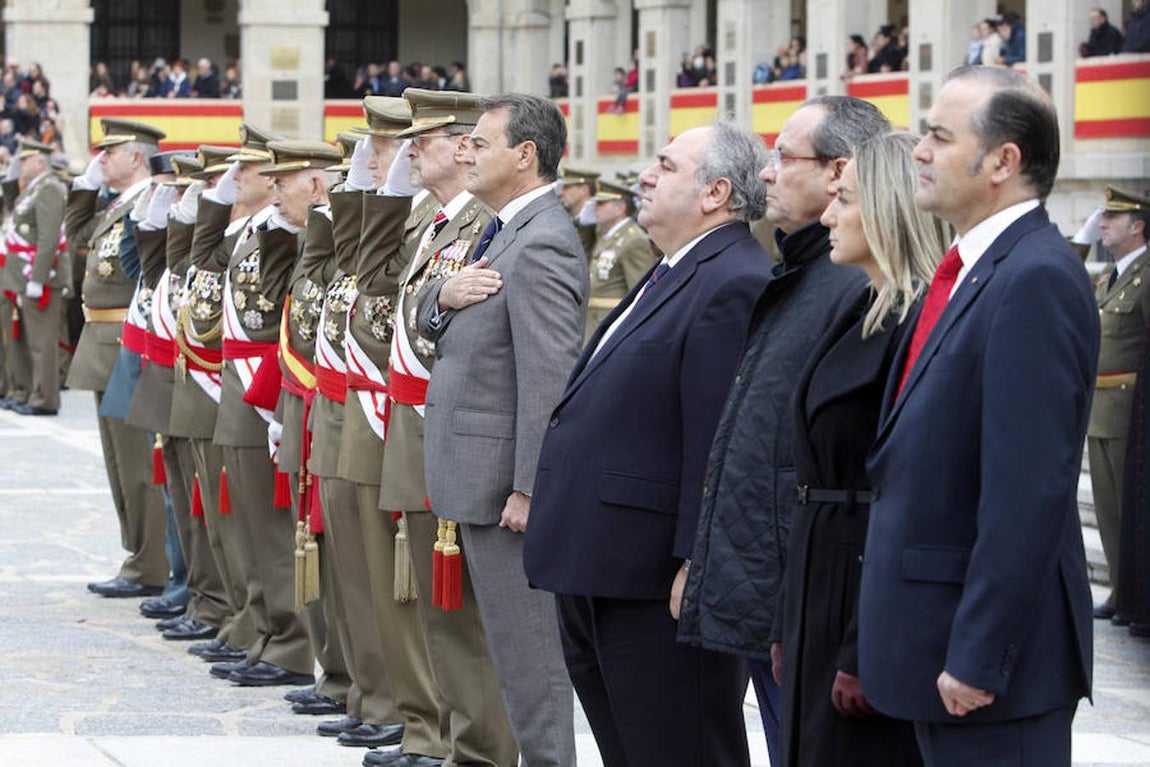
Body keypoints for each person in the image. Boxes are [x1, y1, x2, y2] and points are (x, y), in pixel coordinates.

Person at [858, 65, 1097, 767]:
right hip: (933, 649)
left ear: (1002, 161)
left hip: (988, 676)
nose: (919, 151)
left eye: (938, 136)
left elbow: (1028, 491)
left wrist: (979, 654)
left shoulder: (1035, 276)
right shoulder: (974, 268)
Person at [525, 119, 772, 767]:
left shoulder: (734, 277)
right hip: (604, 563)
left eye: (665, 165)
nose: (646, 175)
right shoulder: (675, 267)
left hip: (656, 579)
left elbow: (718, 439)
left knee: (678, 749)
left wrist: (698, 560)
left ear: (716, 192)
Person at [678, 96, 888, 767]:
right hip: (776, 588)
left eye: (784, 157)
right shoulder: (804, 273)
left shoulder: (856, 285)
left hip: (809, 590)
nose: (766, 173)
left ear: (839, 171)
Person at [416, 93, 584, 767]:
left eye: (481, 143)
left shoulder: (541, 242)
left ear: (525, 155)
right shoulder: (500, 229)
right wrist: (439, 296)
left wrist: (531, 488)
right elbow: (431, 308)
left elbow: (549, 381)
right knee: (509, 660)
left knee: (531, 662)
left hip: (505, 496)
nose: (467, 153)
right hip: (476, 482)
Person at [355, 87, 520, 767]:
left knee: (463, 614)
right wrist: (385, 196)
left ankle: (478, 749)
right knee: (432, 605)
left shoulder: (484, 223)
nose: (409, 153)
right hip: (416, 423)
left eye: (419, 142)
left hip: (449, 426)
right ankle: (442, 738)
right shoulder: (432, 222)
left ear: (462, 146)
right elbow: (367, 280)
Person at [776, 131, 949, 767]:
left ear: (887, 209)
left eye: (845, 200)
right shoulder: (863, 307)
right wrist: (787, 619)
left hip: (860, 589)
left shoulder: (920, 323)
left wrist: (864, 645)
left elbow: (911, 495)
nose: (827, 215)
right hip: (819, 579)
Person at [68, 119, 170, 599]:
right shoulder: (117, 205)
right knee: (118, 462)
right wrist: (85, 188)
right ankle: (138, 554)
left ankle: (150, 563)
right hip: (103, 342)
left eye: (110, 153)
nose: (101, 160)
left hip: (129, 343)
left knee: (138, 464)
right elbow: (78, 235)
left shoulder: (149, 203)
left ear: (135, 157)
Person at [1088, 187, 1150, 625]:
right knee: (1108, 509)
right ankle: (1119, 588)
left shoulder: (1146, 275)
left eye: (1112, 217)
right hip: (1099, 409)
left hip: (1130, 410)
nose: (1102, 223)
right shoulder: (1110, 276)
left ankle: (1136, 592)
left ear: (1138, 226)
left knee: (1131, 508)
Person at [4, 139, 66, 416]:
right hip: (22, 275)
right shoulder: (33, 188)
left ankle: (45, 398)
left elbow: (48, 238)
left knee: (42, 342)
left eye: (25, 159)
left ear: (40, 161)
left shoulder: (50, 188)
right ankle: (31, 392)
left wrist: (38, 278)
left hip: (42, 276)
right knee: (28, 339)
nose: (20, 164)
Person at [582, 179, 657, 342]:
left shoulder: (634, 240)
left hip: (612, 325)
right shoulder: (607, 235)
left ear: (620, 207)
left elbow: (640, 293)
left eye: (602, 204)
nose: (596, 208)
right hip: (595, 321)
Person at [557, 166, 600, 261]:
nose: (562, 192)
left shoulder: (594, 223)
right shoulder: (569, 217)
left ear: (584, 190)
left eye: (567, 187)